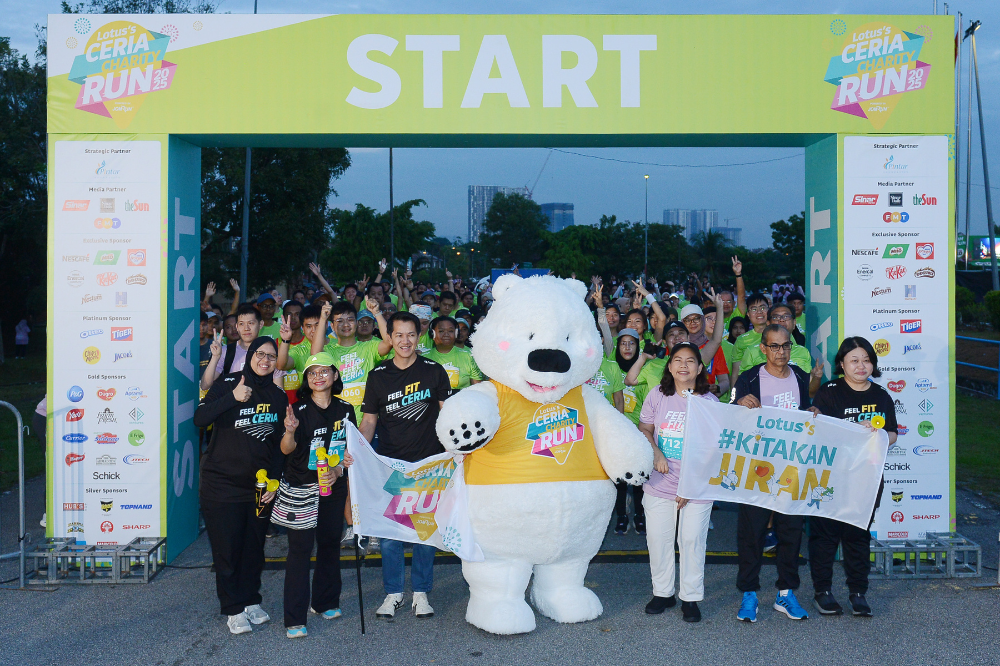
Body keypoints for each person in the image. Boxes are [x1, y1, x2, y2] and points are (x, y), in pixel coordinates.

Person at [360, 312, 452, 619]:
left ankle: (421, 593)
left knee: (424, 534)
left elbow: (447, 414)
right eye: (398, 335)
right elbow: (369, 421)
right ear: (389, 337)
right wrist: (358, 449)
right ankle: (394, 593)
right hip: (391, 465)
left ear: (419, 336)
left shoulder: (434, 371)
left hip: (428, 464)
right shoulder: (378, 375)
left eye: (410, 334)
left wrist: (454, 451)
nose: (405, 341)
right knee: (391, 536)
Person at [194, 336, 288, 635]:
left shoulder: (278, 396)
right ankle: (233, 608)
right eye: (260, 354)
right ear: (250, 356)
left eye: (271, 356)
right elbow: (200, 418)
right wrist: (233, 398)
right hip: (221, 485)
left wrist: (274, 481)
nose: (265, 360)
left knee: (253, 547)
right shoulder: (227, 383)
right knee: (228, 548)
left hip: (260, 488)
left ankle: (250, 599)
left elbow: (278, 446)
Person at [807, 337, 897, 617]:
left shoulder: (881, 395)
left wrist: (878, 434)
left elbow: (893, 434)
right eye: (854, 360)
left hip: (866, 478)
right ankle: (822, 592)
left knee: (858, 535)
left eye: (867, 360)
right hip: (830, 477)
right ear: (842, 364)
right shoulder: (829, 392)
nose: (861, 366)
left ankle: (858, 592)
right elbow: (817, 431)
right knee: (825, 536)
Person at [732, 324, 813, 623]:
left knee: (791, 531)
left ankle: (786, 593)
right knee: (751, 533)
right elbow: (730, 417)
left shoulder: (800, 376)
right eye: (774, 346)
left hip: (792, 467)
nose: (781, 351)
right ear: (763, 349)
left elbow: (808, 412)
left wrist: (814, 411)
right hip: (756, 468)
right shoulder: (749, 378)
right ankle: (749, 594)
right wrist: (739, 404)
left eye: (786, 345)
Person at [275, 352, 355, 638]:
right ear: (306, 380)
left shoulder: (346, 409)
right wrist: (289, 432)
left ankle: (325, 602)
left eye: (324, 371)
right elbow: (285, 449)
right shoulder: (297, 410)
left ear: (335, 375)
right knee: (300, 550)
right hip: (301, 487)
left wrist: (338, 469)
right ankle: (294, 618)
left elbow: (349, 449)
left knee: (330, 543)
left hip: (333, 485)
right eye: (312, 373)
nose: (318, 377)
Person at [639, 342, 717, 622]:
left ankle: (691, 597)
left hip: (696, 486)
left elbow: (713, 450)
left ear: (700, 368)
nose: (684, 365)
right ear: (670, 366)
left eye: (690, 361)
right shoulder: (657, 395)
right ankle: (663, 593)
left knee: (692, 539)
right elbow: (645, 428)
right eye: (678, 360)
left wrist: (690, 483)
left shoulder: (710, 403)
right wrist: (656, 452)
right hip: (660, 483)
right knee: (658, 539)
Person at [202, 304, 263, 393]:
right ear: (237, 326)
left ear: (260, 324)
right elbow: (205, 385)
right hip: (232, 401)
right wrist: (215, 357)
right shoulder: (225, 351)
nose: (246, 328)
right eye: (241, 324)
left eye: (250, 323)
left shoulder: (268, 351)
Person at [422, 316, 483, 392]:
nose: (446, 334)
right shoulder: (423, 358)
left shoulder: (468, 356)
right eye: (441, 331)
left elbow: (477, 389)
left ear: (456, 333)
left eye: (450, 331)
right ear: (432, 334)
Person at [275, 302, 318, 405]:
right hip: (283, 403)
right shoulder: (274, 344)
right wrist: (285, 340)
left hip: (306, 402)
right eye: (289, 314)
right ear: (283, 316)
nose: (293, 318)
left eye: (297, 314)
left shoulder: (312, 343)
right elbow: (281, 365)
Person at [729, 293, 770, 390]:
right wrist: (735, 396)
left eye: (762, 308)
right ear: (748, 314)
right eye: (754, 309)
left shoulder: (781, 334)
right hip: (751, 389)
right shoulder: (741, 340)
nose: (759, 312)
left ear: (769, 310)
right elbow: (736, 374)